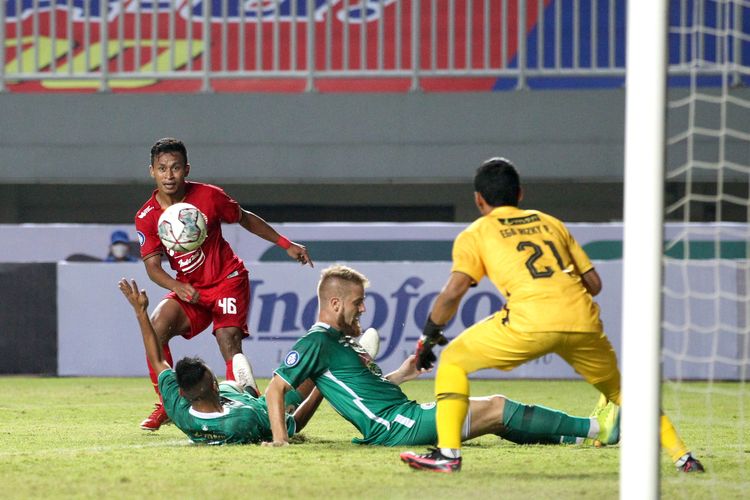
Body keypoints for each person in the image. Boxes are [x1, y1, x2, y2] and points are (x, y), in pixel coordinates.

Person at [400, 157, 705, 473]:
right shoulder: (551, 223)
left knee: (452, 362)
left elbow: (453, 292)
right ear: (520, 194)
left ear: (479, 200)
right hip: (583, 321)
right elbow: (594, 284)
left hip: (528, 322)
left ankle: (448, 456)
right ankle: (684, 458)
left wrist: (428, 335)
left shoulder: (476, 233)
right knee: (621, 392)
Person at [263, 264, 620, 450]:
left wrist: (401, 374)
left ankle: (575, 436)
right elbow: (275, 389)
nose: (363, 309)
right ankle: (597, 428)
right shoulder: (317, 341)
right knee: (496, 406)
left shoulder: (339, 343)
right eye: (358, 303)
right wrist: (280, 439)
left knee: (494, 419)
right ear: (336, 303)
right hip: (396, 427)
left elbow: (362, 391)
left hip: (399, 418)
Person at [134, 137, 314, 431]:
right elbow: (153, 268)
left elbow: (244, 218)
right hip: (190, 290)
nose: (169, 175)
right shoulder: (146, 217)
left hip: (227, 280)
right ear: (152, 171)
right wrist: (177, 286)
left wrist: (285, 243)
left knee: (228, 339)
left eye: (176, 168)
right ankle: (167, 404)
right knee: (156, 328)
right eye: (162, 168)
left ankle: (245, 400)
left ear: (186, 169)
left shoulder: (208, 196)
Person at [118, 278, 320, 444]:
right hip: (248, 404)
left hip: (226, 399)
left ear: (181, 392)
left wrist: (141, 312)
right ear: (215, 385)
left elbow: (157, 358)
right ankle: (248, 390)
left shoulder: (177, 406)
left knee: (235, 383)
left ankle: (244, 388)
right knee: (311, 368)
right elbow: (294, 423)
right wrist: (321, 389)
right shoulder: (244, 418)